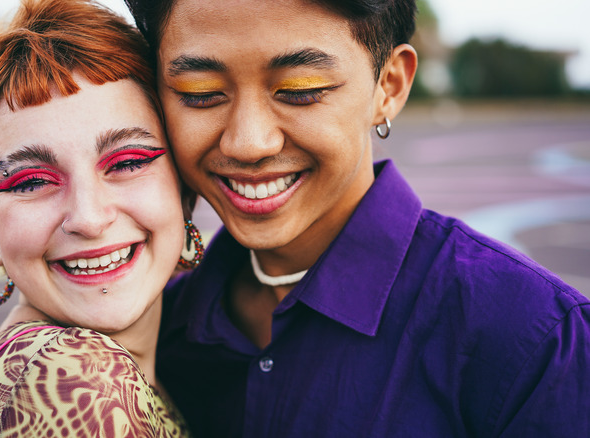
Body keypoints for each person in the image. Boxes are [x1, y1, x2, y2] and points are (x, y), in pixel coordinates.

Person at [115, 0, 590, 436]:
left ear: (390, 85)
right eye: (200, 93)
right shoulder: (147, 328)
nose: (248, 143)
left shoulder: (534, 339)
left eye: (301, 90)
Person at [0, 0, 197, 436]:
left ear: (183, 185)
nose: (89, 218)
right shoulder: (74, 379)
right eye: (31, 181)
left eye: (128, 161)